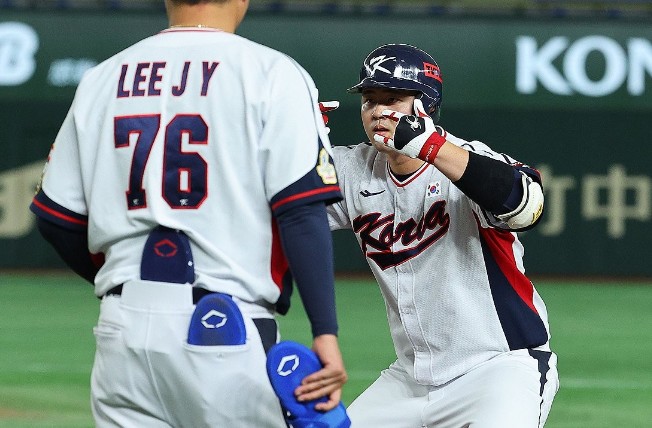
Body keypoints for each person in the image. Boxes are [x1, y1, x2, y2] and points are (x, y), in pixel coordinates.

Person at [28, 0, 348, 426]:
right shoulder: (270, 71)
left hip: (121, 332)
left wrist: (125, 282)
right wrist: (324, 331)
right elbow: (300, 211)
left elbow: (56, 217)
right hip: (221, 329)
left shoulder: (102, 77)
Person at [323, 44, 559, 427]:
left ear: (426, 104)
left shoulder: (467, 159)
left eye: (394, 99)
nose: (380, 111)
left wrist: (431, 147)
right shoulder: (354, 168)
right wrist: (290, 148)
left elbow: (526, 204)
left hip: (499, 367)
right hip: (410, 378)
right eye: (370, 100)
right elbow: (275, 208)